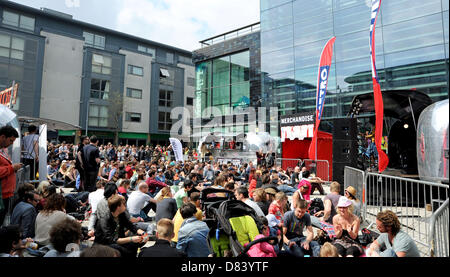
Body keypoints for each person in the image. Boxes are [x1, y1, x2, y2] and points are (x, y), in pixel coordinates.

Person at [0, 125, 21, 226]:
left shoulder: (3, 150)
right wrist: (12, 168)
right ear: (3, 137)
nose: (11, 144)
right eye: (11, 141)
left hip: (5, 194)